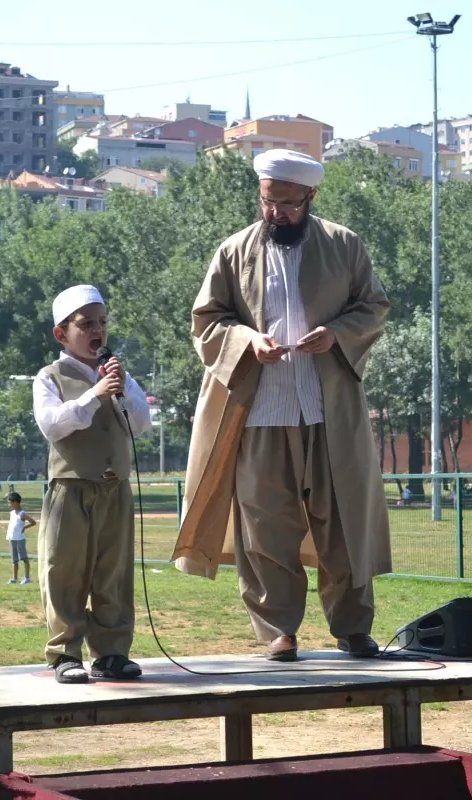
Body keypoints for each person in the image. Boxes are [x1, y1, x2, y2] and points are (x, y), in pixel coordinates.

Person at [174, 149, 392, 663]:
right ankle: (278, 630)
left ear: (311, 198)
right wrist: (248, 341)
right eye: (269, 203)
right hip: (261, 413)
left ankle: (353, 627)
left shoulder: (344, 245)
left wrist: (336, 334)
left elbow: (374, 306)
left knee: (344, 522)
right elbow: (206, 321)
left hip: (328, 412)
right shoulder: (232, 252)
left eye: (289, 205)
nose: (277, 214)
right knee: (265, 528)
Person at [33, 284, 152, 684]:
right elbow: (53, 425)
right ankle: (65, 653)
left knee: (113, 572)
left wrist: (119, 392)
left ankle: (112, 653)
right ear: (61, 333)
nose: (97, 331)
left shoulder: (119, 375)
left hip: (114, 488)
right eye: (86, 324)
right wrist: (93, 396)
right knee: (63, 570)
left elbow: (140, 424)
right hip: (71, 488)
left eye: (102, 322)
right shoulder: (49, 377)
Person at [5, 491, 37, 585]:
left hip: (20, 539)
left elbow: (33, 522)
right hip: (12, 538)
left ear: (15, 502)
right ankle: (15, 578)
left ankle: (27, 578)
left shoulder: (22, 514)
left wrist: (24, 528)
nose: (9, 504)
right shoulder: (12, 513)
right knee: (14, 560)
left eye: (10, 502)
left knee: (24, 558)